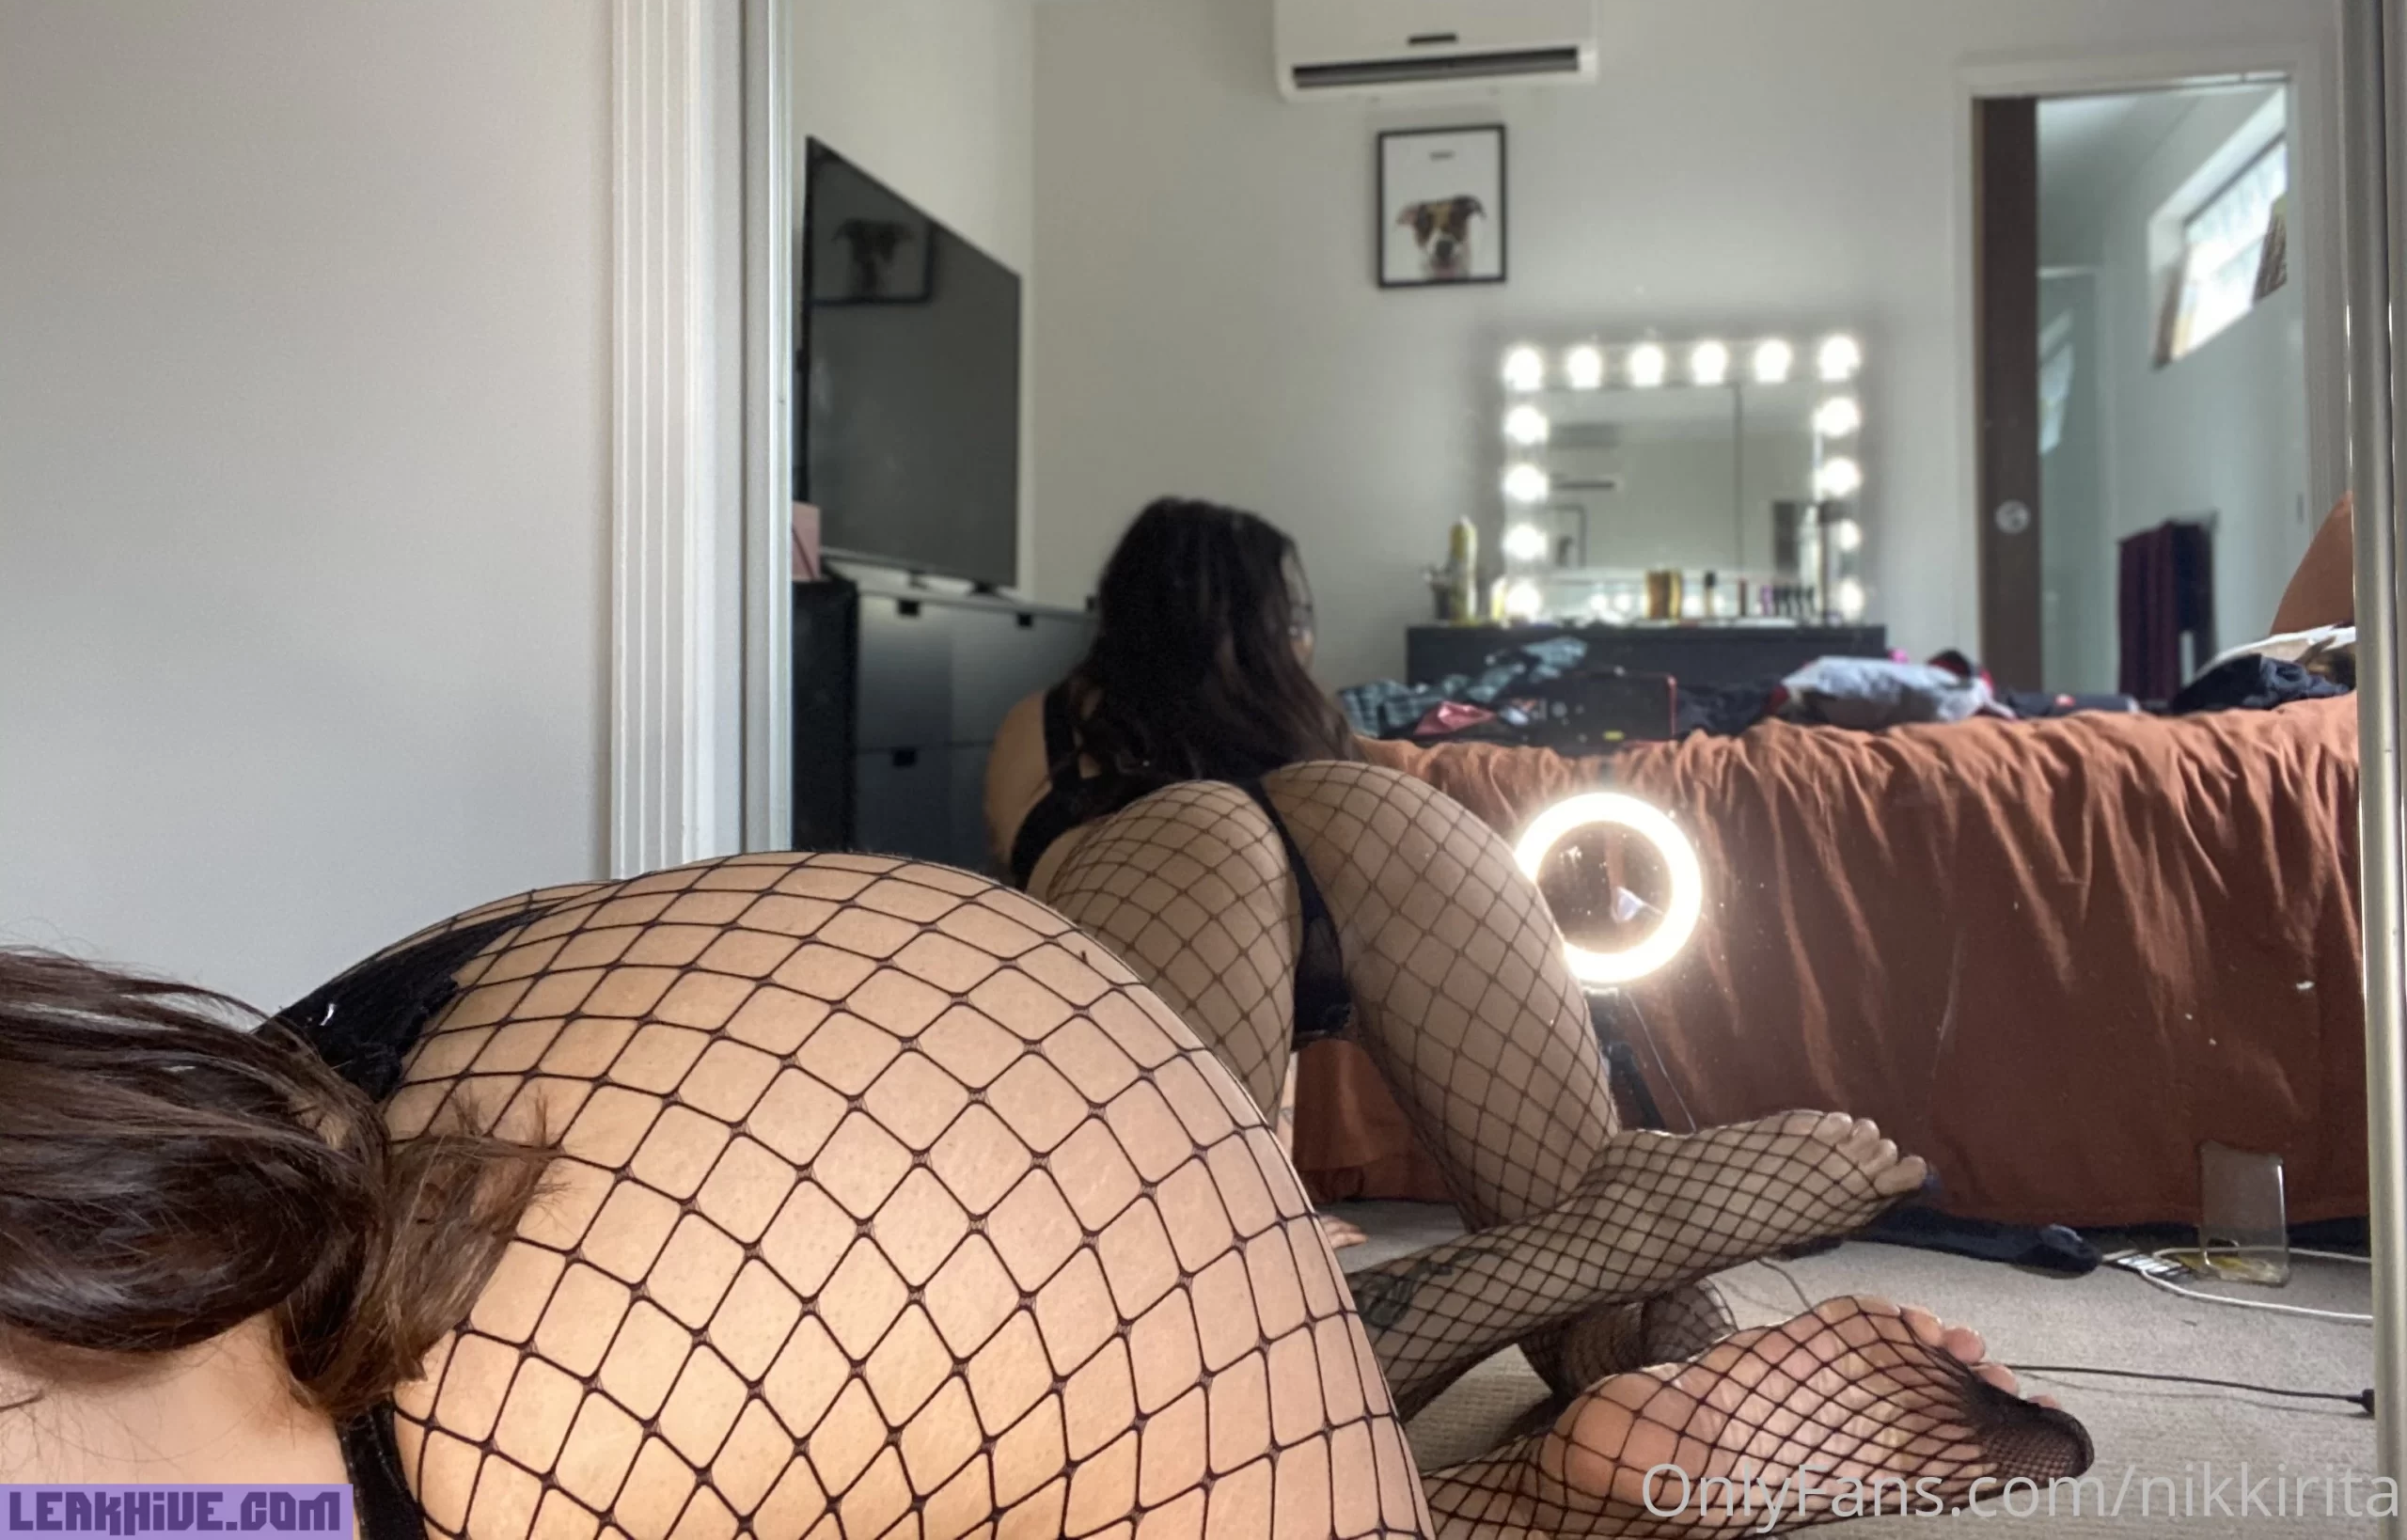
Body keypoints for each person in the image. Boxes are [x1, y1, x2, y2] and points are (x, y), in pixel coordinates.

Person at [1, 865, 2086, 1537]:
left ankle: (1488, 1417)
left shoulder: (1051, 738)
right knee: (1317, 820)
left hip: (597, 1345)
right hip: (444, 1067)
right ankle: (1443, 1310)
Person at [983, 497, 2037, 1401]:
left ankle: (1617, 1248)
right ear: (1269, 627)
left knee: (1189, 1359)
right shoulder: (1323, 740)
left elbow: (1036, 883)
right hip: (1370, 831)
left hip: (1164, 864)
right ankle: (1649, 1271)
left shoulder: (1047, 721)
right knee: (1607, 1342)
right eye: (1294, 621)